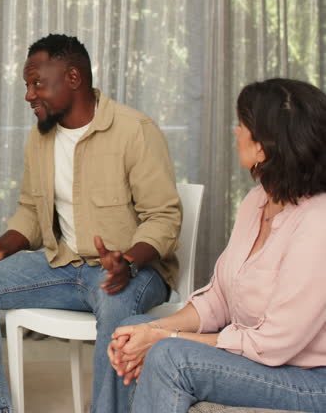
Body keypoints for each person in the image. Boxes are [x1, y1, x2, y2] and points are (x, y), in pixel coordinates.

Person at [0, 34, 182, 413]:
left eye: (37, 83)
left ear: (73, 77)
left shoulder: (134, 129)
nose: (29, 95)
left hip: (133, 271)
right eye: (27, 85)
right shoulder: (41, 137)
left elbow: (163, 217)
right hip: (65, 264)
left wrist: (128, 261)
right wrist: (4, 246)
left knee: (114, 299)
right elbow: (31, 209)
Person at [105, 78, 326, 412]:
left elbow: (273, 344)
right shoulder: (257, 201)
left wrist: (166, 338)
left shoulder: (317, 223)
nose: (236, 131)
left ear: (264, 147)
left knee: (169, 355)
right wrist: (150, 329)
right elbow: (220, 298)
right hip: (266, 357)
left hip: (310, 380)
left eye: (243, 125)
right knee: (129, 330)